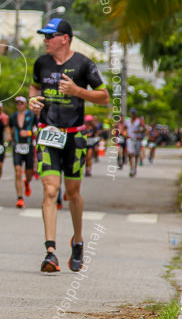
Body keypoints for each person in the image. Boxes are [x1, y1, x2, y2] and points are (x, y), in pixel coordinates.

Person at [29, 17, 109, 273]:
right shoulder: (41, 62)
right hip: (47, 134)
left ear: (65, 38)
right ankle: (50, 251)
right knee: (51, 190)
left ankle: (77, 240)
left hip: (75, 137)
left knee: (72, 193)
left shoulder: (84, 64)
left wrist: (78, 91)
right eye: (44, 36)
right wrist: (33, 101)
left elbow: (104, 97)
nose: (45, 41)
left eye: (49, 36)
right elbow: (33, 87)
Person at [9, 95, 37, 208]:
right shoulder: (13, 117)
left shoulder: (32, 115)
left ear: (25, 104)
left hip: (29, 146)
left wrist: (29, 133)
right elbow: (10, 128)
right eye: (17, 103)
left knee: (29, 173)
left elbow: (38, 128)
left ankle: (27, 182)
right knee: (17, 171)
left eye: (21, 103)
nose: (19, 105)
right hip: (17, 146)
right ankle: (20, 198)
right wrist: (9, 136)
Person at [123, 109, 145, 177]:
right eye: (131, 113)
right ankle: (131, 168)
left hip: (137, 139)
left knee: (136, 154)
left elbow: (144, 128)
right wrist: (125, 134)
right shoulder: (127, 121)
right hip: (130, 139)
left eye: (133, 114)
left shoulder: (139, 121)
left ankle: (135, 167)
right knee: (130, 154)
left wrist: (139, 132)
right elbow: (124, 128)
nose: (132, 115)